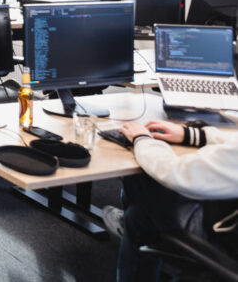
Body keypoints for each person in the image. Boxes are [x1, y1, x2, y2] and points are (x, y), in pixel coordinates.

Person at [102, 119, 238, 282]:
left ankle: (129, 224)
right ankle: (131, 224)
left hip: (225, 241)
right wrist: (191, 135)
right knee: (139, 216)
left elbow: (176, 172)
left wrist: (141, 139)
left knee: (144, 185)